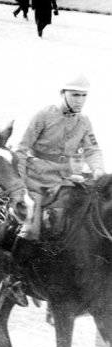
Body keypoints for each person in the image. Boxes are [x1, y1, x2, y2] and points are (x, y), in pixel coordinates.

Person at [15, 75, 104, 242]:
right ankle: (16, 264)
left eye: (84, 96)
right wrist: (20, 184)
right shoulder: (44, 115)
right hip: (37, 180)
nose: (80, 101)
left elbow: (92, 150)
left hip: (65, 179)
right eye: (75, 95)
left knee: (87, 214)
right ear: (63, 94)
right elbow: (21, 149)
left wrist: (98, 170)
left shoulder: (84, 121)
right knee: (31, 229)